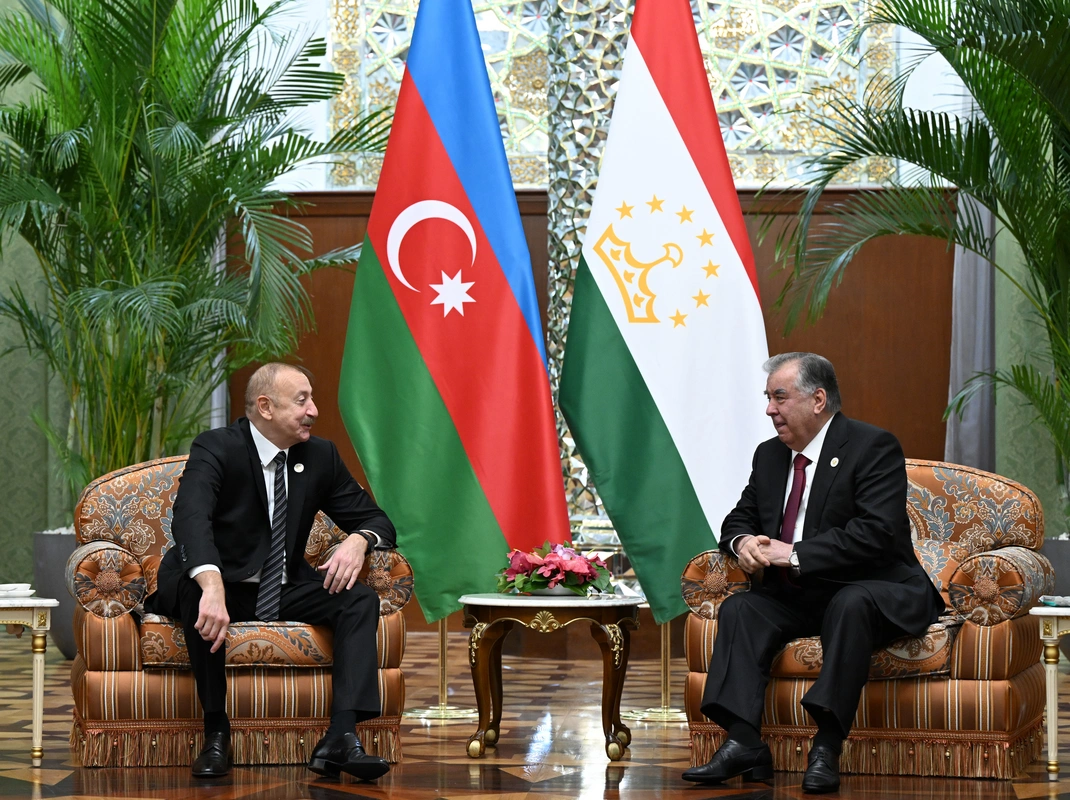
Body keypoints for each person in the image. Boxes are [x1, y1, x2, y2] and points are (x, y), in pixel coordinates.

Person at [681, 353, 943, 793]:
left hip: (873, 589)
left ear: (818, 400)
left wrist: (795, 554)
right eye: (768, 398)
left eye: (779, 397)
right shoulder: (769, 456)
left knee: (850, 603)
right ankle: (744, 742)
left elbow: (877, 533)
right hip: (800, 596)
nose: (769, 409)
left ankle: (827, 745)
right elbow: (739, 518)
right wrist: (743, 544)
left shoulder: (871, 446)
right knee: (741, 609)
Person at [145, 363, 397, 781]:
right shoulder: (217, 447)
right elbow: (191, 518)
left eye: (312, 399)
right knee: (197, 592)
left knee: (359, 599)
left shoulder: (320, 456)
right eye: (302, 400)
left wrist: (358, 540)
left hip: (281, 586)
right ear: (265, 407)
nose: (314, 410)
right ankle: (216, 733)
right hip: (220, 582)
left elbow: (377, 520)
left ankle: (340, 736)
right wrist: (212, 584)